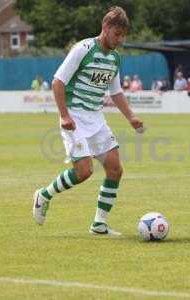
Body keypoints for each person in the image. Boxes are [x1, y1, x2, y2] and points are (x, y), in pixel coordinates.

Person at [32, 6, 144, 235]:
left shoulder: (114, 58)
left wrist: (131, 116)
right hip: (74, 117)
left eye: (123, 35)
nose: (120, 39)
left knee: (115, 169)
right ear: (105, 27)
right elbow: (58, 82)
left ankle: (99, 224)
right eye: (117, 34)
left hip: (96, 119)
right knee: (84, 171)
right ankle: (44, 194)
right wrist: (64, 115)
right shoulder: (83, 49)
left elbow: (116, 92)